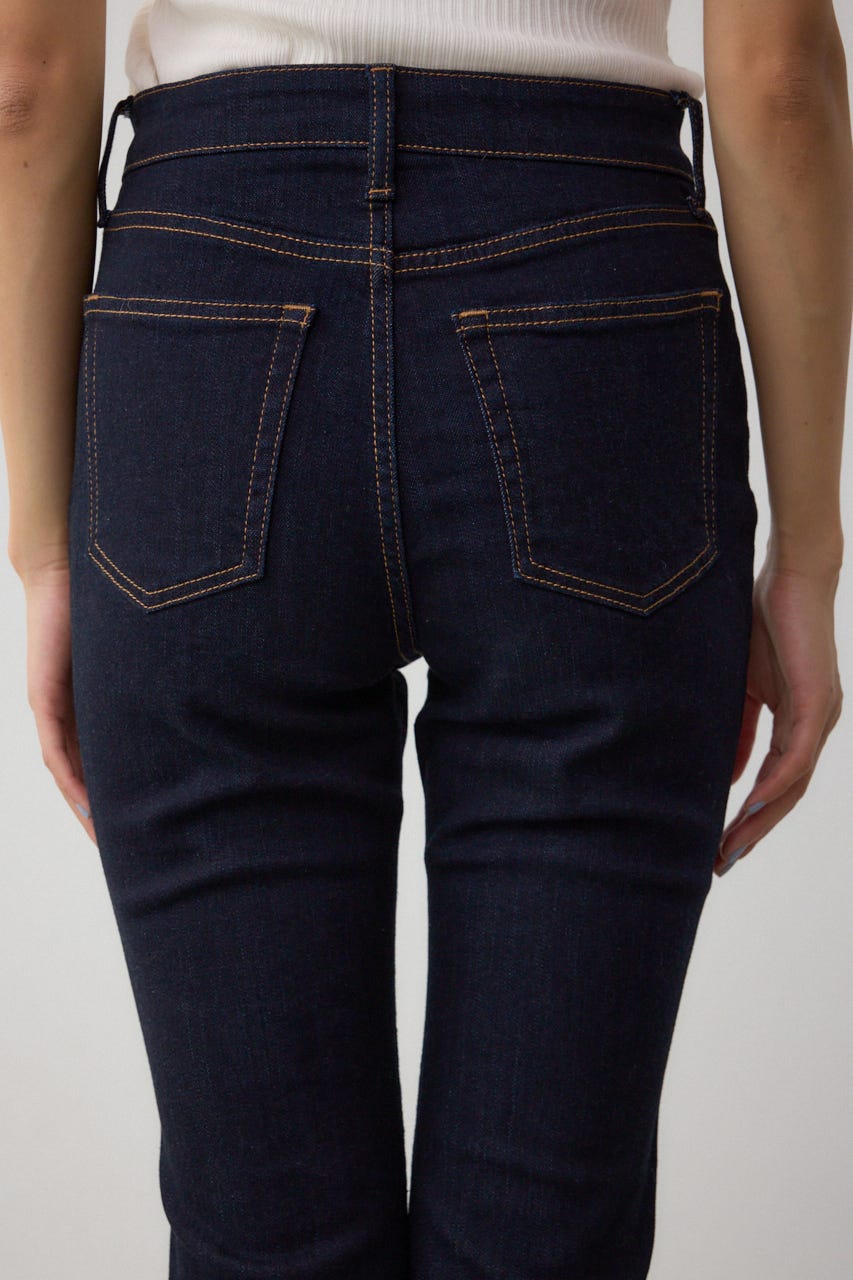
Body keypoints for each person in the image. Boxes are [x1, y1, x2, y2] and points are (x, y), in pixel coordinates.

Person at [0, 1, 849, 1277]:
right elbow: (779, 75)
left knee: (262, 1233)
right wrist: (808, 559)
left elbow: (19, 81)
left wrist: (45, 548)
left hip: (209, 310)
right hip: (590, 312)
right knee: (543, 1239)